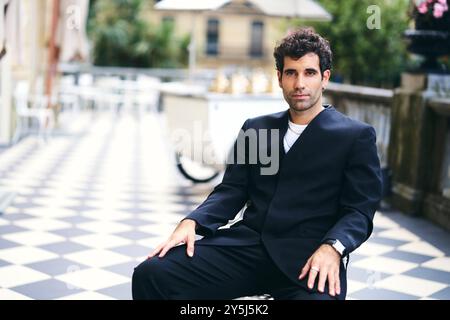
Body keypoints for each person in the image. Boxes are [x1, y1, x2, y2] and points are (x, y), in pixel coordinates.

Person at [132, 27, 382, 300]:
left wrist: (334, 247)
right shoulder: (257, 129)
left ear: (325, 78)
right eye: (291, 73)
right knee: (152, 274)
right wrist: (193, 221)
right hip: (247, 248)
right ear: (279, 78)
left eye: (309, 73)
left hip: (310, 256)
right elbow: (231, 191)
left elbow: (359, 210)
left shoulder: (355, 136)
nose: (300, 83)